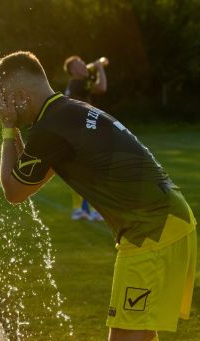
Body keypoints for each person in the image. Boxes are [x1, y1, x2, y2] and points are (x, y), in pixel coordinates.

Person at [0, 51, 197, 341]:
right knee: (138, 333)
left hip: (152, 229)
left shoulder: (49, 128)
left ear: (18, 95)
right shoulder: (65, 113)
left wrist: (8, 130)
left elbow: (13, 189)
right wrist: (17, 127)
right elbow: (33, 178)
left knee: (125, 338)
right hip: (162, 221)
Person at [64, 55, 108, 222]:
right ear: (74, 70)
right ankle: (94, 210)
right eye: (80, 64)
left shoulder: (74, 84)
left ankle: (80, 210)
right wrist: (100, 68)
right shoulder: (79, 83)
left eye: (84, 63)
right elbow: (101, 88)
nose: (84, 66)